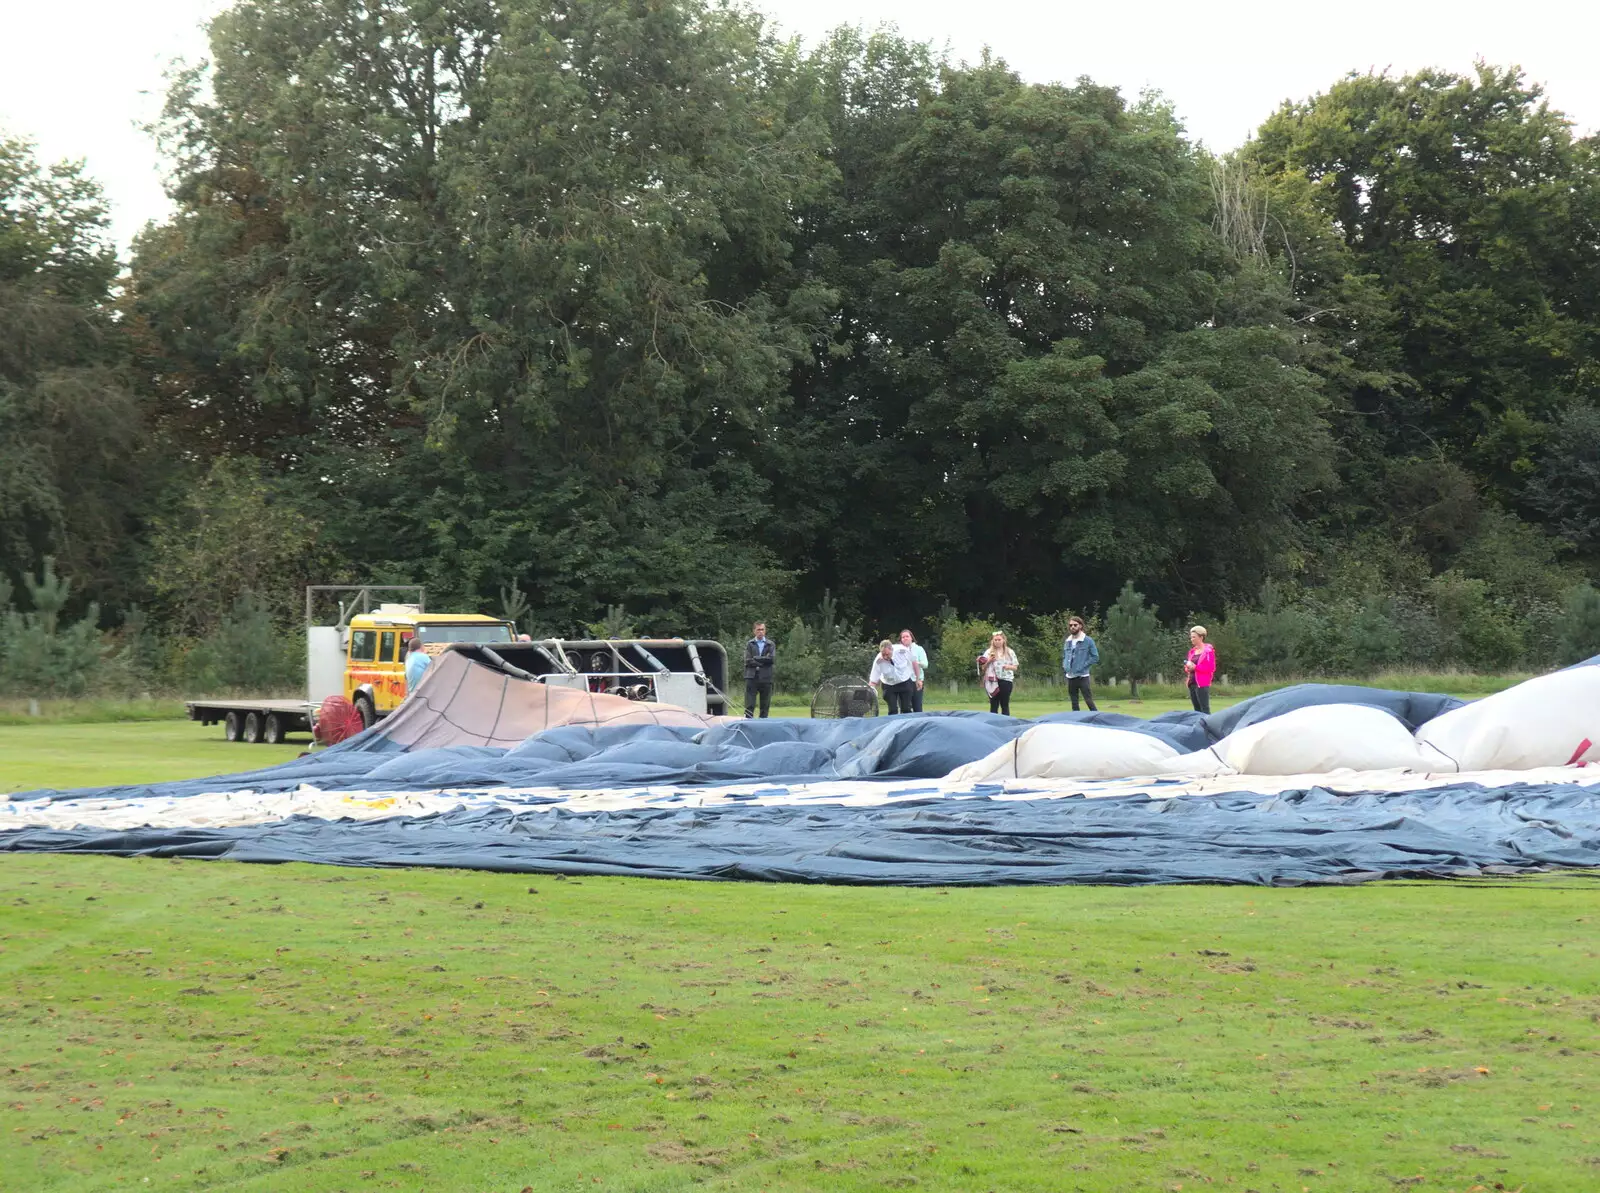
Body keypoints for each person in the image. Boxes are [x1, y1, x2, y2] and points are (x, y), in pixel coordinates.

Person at [867, 639, 917, 714]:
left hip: (904, 681)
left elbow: (914, 662)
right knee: (892, 710)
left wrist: (918, 679)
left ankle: (907, 724)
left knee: (906, 708)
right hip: (889, 685)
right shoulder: (878, 660)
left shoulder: (902, 651)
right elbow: (873, 679)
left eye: (887, 654)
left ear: (892, 649)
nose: (885, 657)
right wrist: (870, 692)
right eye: (883, 654)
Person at [1060, 616, 1100, 712]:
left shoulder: (1088, 640)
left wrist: (1083, 666)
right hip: (1070, 676)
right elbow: (1065, 655)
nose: (1072, 627)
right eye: (1070, 625)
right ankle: (1076, 722)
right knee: (1074, 702)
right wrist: (1065, 666)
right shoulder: (1068, 641)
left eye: (1075, 625)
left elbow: (1095, 657)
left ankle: (1097, 718)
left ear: (1080, 626)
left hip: (1082, 676)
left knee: (1088, 700)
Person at [977, 631, 1018, 716]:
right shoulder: (988, 652)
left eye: (999, 639)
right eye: (995, 640)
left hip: (1006, 680)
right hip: (992, 681)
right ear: (993, 641)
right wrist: (989, 660)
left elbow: (1015, 667)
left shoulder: (1010, 652)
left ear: (1003, 640)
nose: (997, 641)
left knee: (1004, 704)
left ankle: (1006, 724)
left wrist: (1008, 667)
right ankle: (993, 725)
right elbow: (983, 668)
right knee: (994, 704)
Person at [743, 621, 776, 719]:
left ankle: (763, 726)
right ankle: (748, 724)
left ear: (765, 631)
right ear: (754, 631)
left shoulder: (770, 644)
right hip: (751, 677)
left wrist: (756, 658)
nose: (760, 632)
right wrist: (763, 661)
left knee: (765, 705)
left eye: (762, 629)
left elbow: (771, 659)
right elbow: (748, 661)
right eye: (758, 630)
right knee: (749, 704)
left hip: (766, 677)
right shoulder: (750, 644)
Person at [1184, 625, 1216, 714]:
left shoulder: (1208, 652)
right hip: (1192, 682)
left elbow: (1211, 668)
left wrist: (1196, 667)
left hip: (1202, 683)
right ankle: (1199, 726)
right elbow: (1188, 667)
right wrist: (1188, 668)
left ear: (1201, 637)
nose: (1192, 639)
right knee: (1196, 710)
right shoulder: (1192, 652)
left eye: (1194, 637)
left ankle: (1207, 727)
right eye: (1191, 637)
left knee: (1204, 708)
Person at [899, 629, 928, 712]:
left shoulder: (919, 649)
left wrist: (915, 663)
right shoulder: (899, 650)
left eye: (907, 636)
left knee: (917, 706)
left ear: (911, 638)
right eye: (903, 637)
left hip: (917, 681)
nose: (905, 638)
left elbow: (925, 664)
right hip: (903, 681)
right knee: (904, 707)